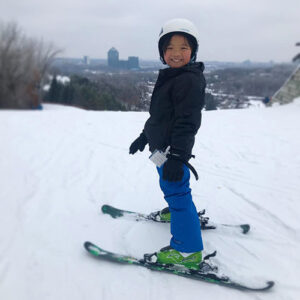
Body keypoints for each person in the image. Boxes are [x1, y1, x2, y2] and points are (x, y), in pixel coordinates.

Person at [129, 18, 206, 270]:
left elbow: (187, 122)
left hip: (173, 151)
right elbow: (160, 116)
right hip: (160, 148)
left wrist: (178, 157)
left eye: (183, 48)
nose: (176, 53)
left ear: (192, 51)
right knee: (170, 185)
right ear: (162, 52)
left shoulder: (188, 80)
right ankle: (176, 211)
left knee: (176, 188)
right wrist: (144, 136)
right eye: (170, 48)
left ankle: (187, 251)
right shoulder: (172, 76)